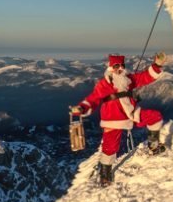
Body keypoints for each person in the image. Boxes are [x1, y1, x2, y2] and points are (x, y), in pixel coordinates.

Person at [71, 52, 167, 185]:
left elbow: (145, 77)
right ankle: (105, 174)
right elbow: (93, 99)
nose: (119, 68)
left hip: (131, 113)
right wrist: (82, 108)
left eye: (121, 65)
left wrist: (157, 64)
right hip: (113, 119)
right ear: (110, 67)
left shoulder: (128, 80)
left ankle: (154, 146)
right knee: (110, 147)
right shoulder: (104, 84)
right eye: (116, 66)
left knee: (154, 117)